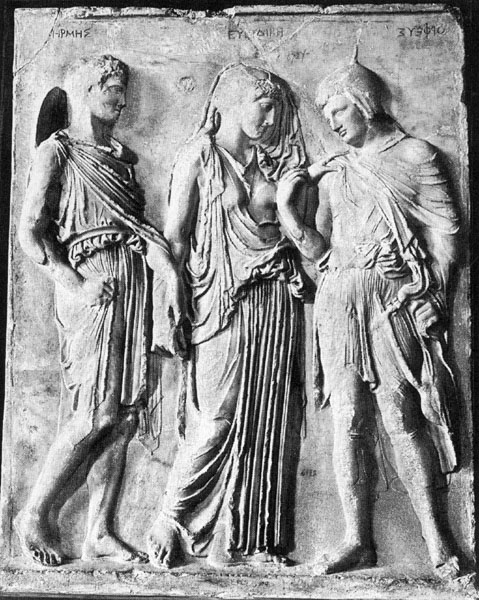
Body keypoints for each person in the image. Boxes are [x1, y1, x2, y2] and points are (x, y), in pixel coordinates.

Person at [276, 52, 460, 578]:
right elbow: (321, 251)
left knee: (402, 418)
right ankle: (358, 540)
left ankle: (438, 540)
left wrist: (435, 294)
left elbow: (447, 234)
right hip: (339, 298)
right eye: (326, 114)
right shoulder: (337, 170)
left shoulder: (416, 156)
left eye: (338, 110)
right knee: (348, 422)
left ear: (364, 103)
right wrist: (289, 208)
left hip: (391, 298)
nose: (333, 123)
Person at [15, 55, 182, 566]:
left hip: (131, 283)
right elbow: (31, 231)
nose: (122, 100)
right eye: (112, 88)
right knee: (93, 413)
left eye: (124, 90)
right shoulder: (58, 151)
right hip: (93, 284)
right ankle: (34, 513)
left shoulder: (121, 159)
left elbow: (137, 228)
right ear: (87, 89)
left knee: (125, 416)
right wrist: (75, 283)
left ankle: (100, 530)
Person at [147, 63, 312, 568]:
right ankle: (170, 517)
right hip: (219, 300)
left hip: (275, 300)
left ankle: (250, 540)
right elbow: (175, 238)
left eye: (276, 109)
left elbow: (290, 233)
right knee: (216, 418)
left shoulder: (270, 165)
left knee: (270, 419)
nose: (271, 118)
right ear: (232, 102)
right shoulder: (199, 155)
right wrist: (169, 301)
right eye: (263, 106)